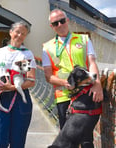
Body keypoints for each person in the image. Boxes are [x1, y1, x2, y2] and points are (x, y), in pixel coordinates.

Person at [42, 9, 103, 146]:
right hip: (64, 96)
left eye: (62, 21)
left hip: (86, 94)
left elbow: (92, 62)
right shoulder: (47, 47)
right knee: (67, 139)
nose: (60, 25)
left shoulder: (84, 39)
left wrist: (97, 83)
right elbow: (48, 75)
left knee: (87, 138)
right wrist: (65, 82)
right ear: (52, 26)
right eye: (55, 23)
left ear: (67, 20)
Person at [0, 21, 36, 148]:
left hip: (20, 99)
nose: (19, 35)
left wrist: (12, 87)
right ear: (11, 32)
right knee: (0, 140)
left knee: (17, 142)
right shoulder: (0, 53)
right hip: (1, 97)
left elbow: (31, 80)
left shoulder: (26, 54)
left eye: (23, 33)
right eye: (17, 32)